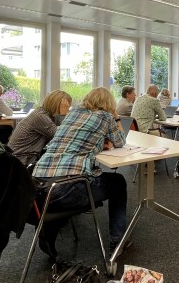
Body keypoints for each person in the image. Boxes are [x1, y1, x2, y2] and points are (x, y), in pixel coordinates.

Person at [32, 87, 128, 255]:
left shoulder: (73, 113)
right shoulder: (105, 117)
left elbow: (73, 139)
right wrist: (116, 117)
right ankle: (118, 240)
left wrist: (99, 143)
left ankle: (49, 230)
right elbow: (120, 141)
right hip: (67, 188)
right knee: (118, 182)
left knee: (68, 185)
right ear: (109, 103)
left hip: (37, 185)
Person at [7, 90, 72, 166]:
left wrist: (63, 115)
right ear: (58, 105)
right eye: (66, 107)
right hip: (21, 161)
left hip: (22, 157)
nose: (67, 109)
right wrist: (63, 114)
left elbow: (60, 126)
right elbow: (61, 136)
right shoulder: (40, 116)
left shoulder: (44, 113)